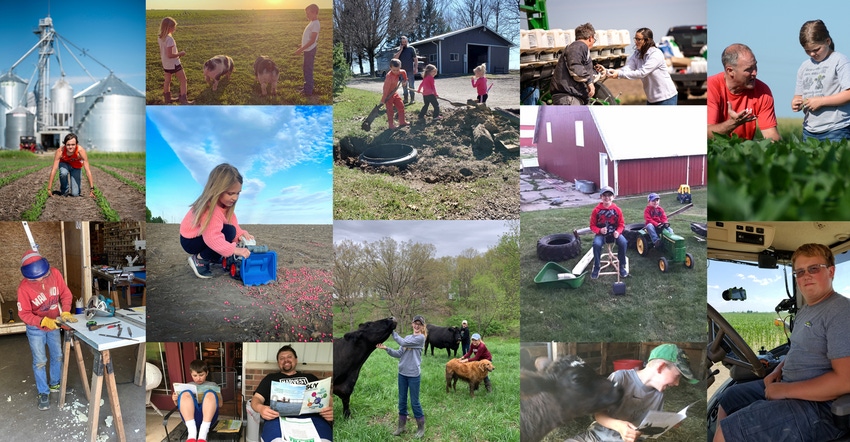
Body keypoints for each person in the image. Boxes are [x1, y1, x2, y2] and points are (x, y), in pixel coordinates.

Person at [714, 243, 850, 442]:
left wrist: (785, 390)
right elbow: (797, 349)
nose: (805, 276)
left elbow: (845, 381)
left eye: (814, 269)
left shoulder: (841, 311)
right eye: (800, 272)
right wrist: (777, 372)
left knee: (728, 432)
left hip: (821, 408)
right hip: (789, 385)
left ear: (831, 271)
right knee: (729, 398)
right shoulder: (806, 310)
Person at [566, 344, 699, 442]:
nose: (677, 383)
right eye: (677, 376)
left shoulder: (659, 395)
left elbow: (648, 424)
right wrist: (619, 426)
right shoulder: (620, 378)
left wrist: (667, 422)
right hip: (598, 437)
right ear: (661, 367)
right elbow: (598, 413)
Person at [17, 249, 77, 410]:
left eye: (44, 275)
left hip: (55, 324)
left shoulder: (55, 274)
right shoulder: (24, 288)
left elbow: (65, 294)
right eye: (37, 279)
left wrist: (64, 311)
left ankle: (55, 384)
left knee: (57, 355)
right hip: (35, 328)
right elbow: (23, 313)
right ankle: (43, 392)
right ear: (28, 276)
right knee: (40, 361)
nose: (42, 279)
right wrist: (42, 321)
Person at [179, 163, 253, 279]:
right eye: (230, 193)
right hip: (191, 241)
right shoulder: (210, 210)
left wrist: (241, 234)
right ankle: (199, 259)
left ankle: (212, 255)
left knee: (231, 231)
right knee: (228, 233)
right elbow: (212, 238)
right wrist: (233, 249)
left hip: (203, 236)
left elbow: (233, 225)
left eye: (238, 193)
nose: (235, 197)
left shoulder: (226, 207)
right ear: (217, 190)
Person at [251, 345, 334, 442]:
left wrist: (332, 410)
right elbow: (256, 399)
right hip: (278, 419)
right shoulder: (270, 378)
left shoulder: (310, 378)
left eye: (289, 357)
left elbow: (328, 398)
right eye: (282, 358)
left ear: (296, 360)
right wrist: (261, 408)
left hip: (313, 419)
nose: (286, 360)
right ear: (278, 363)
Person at [791, 19, 850, 142]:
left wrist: (821, 101)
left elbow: (848, 93)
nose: (812, 54)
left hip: (837, 129)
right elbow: (798, 95)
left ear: (827, 41)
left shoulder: (840, 61)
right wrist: (796, 103)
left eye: (816, 49)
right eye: (807, 50)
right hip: (809, 130)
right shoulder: (804, 67)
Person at [707, 44, 780, 141]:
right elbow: (706, 134)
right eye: (749, 69)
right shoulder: (711, 87)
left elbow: (772, 135)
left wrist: (763, 146)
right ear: (730, 71)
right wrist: (733, 123)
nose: (755, 73)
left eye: (755, 66)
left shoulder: (763, 91)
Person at [377, 315, 427, 438]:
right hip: (402, 374)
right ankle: (401, 427)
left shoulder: (421, 338)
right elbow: (399, 353)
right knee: (402, 401)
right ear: (412, 324)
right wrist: (386, 348)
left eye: (419, 324)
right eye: (415, 323)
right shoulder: (408, 337)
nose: (416, 326)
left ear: (422, 326)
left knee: (415, 402)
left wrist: (391, 331)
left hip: (414, 375)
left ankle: (421, 428)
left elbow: (403, 342)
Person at [608, 28, 677, 105]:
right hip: (652, 99)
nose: (636, 42)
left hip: (666, 98)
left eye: (639, 39)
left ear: (647, 40)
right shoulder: (637, 53)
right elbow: (629, 67)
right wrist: (611, 71)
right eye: (635, 39)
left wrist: (619, 74)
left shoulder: (655, 54)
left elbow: (642, 73)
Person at [551, 23, 604, 105]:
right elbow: (575, 68)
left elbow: (583, 72)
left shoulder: (577, 48)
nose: (593, 43)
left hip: (571, 98)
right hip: (569, 98)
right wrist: (590, 82)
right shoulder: (579, 46)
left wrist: (600, 74)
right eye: (594, 40)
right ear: (590, 38)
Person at [172, 359, 222, 442]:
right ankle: (192, 434)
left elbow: (220, 405)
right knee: (185, 393)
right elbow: (179, 406)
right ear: (191, 374)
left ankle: (203, 433)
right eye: (195, 376)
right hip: (191, 418)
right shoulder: (188, 385)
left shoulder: (213, 385)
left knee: (210, 393)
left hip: (209, 419)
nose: (198, 378)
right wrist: (175, 400)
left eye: (201, 375)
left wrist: (218, 397)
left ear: (207, 373)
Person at [590, 186, 628, 280]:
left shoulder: (617, 210)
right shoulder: (596, 210)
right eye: (604, 195)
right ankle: (597, 266)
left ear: (613, 197)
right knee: (596, 244)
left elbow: (621, 224)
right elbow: (592, 226)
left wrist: (618, 232)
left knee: (623, 242)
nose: (607, 197)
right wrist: (599, 230)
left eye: (609, 195)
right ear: (601, 197)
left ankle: (621, 265)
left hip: (614, 233)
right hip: (601, 234)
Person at [46, 133, 95, 198]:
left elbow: (88, 171)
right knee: (63, 173)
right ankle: (64, 191)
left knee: (75, 194)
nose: (70, 147)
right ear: (65, 144)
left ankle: (75, 190)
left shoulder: (81, 151)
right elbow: (54, 169)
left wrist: (92, 189)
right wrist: (49, 189)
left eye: (73, 145)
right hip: (64, 164)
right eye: (68, 145)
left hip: (76, 166)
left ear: (76, 144)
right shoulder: (60, 151)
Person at [158, 17, 191, 105]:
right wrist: (180, 53)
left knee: (167, 81)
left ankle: (167, 99)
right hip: (174, 64)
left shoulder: (160, 37)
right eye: (174, 27)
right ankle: (184, 100)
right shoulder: (170, 39)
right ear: (169, 28)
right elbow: (170, 55)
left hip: (166, 64)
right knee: (183, 80)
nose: (175, 29)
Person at [294, 4, 320, 96]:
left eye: (308, 13)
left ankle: (308, 91)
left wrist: (301, 49)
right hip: (307, 49)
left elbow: (313, 40)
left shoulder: (316, 24)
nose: (307, 15)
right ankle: (306, 87)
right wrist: (302, 45)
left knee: (308, 70)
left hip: (309, 50)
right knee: (306, 69)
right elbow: (309, 38)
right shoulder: (312, 22)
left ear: (314, 12)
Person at [382, 59, 409, 129]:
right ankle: (391, 125)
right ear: (390, 68)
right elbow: (385, 89)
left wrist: (405, 80)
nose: (396, 72)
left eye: (398, 70)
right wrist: (383, 99)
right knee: (390, 110)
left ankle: (402, 121)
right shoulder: (389, 77)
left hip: (395, 93)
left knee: (401, 106)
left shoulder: (400, 71)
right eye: (394, 70)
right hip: (388, 95)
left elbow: (404, 72)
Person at [394, 36, 418, 104]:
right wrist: (401, 50)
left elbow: (415, 59)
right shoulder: (398, 50)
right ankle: (405, 99)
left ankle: (412, 99)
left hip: (410, 71)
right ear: (401, 43)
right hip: (402, 71)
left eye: (405, 42)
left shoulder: (411, 49)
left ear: (407, 41)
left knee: (411, 85)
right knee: (404, 86)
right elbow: (395, 58)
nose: (404, 43)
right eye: (403, 42)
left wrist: (415, 68)